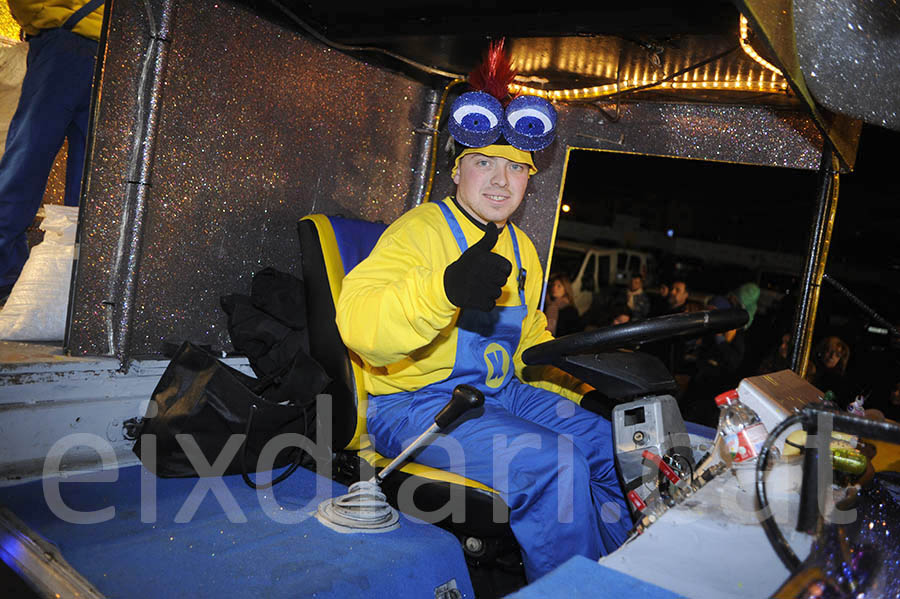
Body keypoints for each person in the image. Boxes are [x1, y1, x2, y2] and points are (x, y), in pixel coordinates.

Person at [336, 43, 631, 582]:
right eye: (483, 163)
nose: (500, 180)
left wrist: (587, 389)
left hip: (500, 393)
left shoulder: (521, 248)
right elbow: (359, 325)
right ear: (457, 171)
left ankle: (619, 568)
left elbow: (529, 345)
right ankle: (575, 590)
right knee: (556, 464)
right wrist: (444, 289)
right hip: (417, 405)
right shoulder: (421, 230)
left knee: (611, 444)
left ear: (529, 180)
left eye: (515, 169)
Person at [0, 0, 104, 299]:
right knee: (87, 179)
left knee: (29, 159)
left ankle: (12, 274)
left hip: (71, 39)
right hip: (98, 43)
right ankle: (68, 286)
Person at [543, 272, 581, 337]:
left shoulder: (570, 311)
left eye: (559, 286)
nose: (554, 288)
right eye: (553, 285)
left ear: (565, 289)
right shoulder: (546, 305)